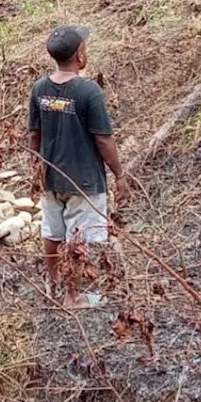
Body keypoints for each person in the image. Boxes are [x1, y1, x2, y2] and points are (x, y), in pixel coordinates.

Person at [27, 26, 127, 307]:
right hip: (82, 181)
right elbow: (104, 140)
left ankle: (54, 286)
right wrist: (119, 175)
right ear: (80, 56)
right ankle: (73, 295)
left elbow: (34, 134)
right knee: (78, 238)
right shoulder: (88, 91)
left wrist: (36, 169)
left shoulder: (40, 89)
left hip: (49, 176)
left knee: (52, 232)